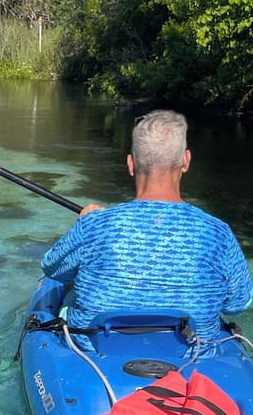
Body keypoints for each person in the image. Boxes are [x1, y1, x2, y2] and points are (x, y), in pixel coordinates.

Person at [40, 109, 252, 342]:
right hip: (194, 359)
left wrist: (85, 222)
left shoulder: (94, 225)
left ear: (131, 164)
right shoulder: (219, 234)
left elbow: (51, 267)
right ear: (186, 161)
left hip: (93, 355)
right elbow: (238, 303)